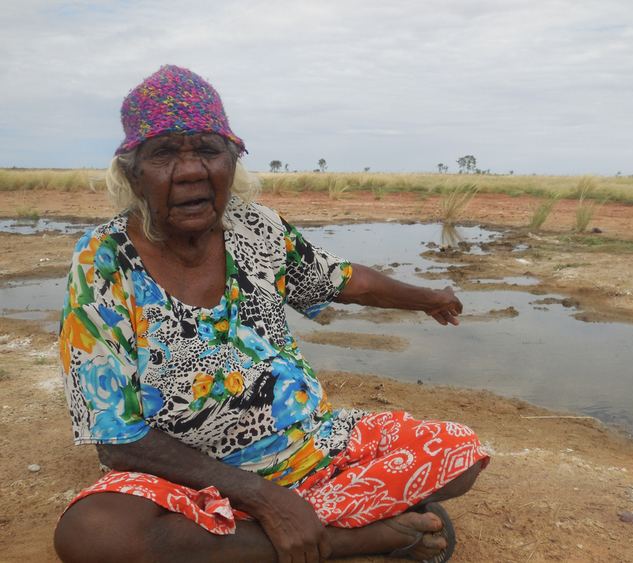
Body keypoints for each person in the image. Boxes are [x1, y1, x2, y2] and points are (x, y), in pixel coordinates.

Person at [54, 65, 489, 563]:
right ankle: (357, 538)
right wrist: (262, 497)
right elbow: (116, 440)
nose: (192, 170)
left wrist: (427, 296)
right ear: (133, 173)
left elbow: (341, 279)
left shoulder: (255, 228)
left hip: (310, 447)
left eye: (208, 150)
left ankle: (258, 541)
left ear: (231, 163)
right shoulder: (103, 259)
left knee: (459, 451)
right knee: (92, 535)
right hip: (187, 478)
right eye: (165, 153)